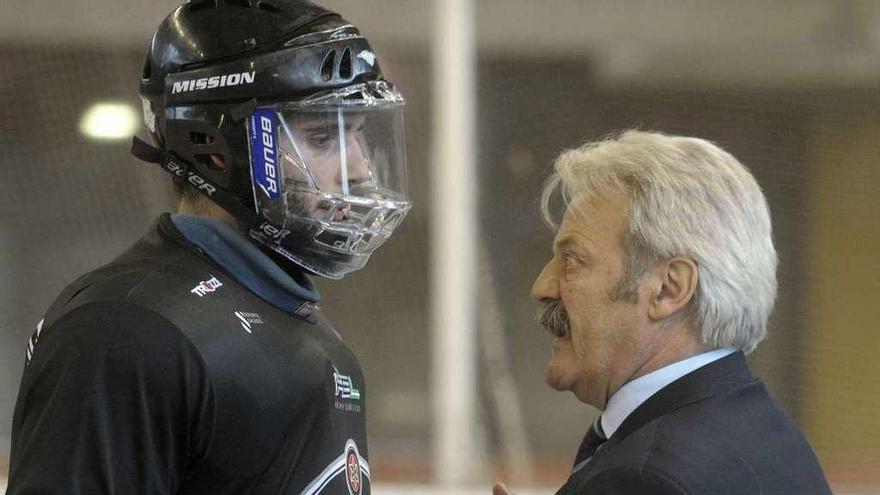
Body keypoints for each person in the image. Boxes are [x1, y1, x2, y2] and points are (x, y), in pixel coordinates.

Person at [8, 1, 410, 493]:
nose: (359, 169)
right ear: (215, 146)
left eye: (358, 136)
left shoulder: (302, 326)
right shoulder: (124, 329)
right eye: (323, 136)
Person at [493, 131, 831, 494]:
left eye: (573, 260)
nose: (542, 286)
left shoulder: (644, 479)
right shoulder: (767, 434)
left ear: (668, 288)